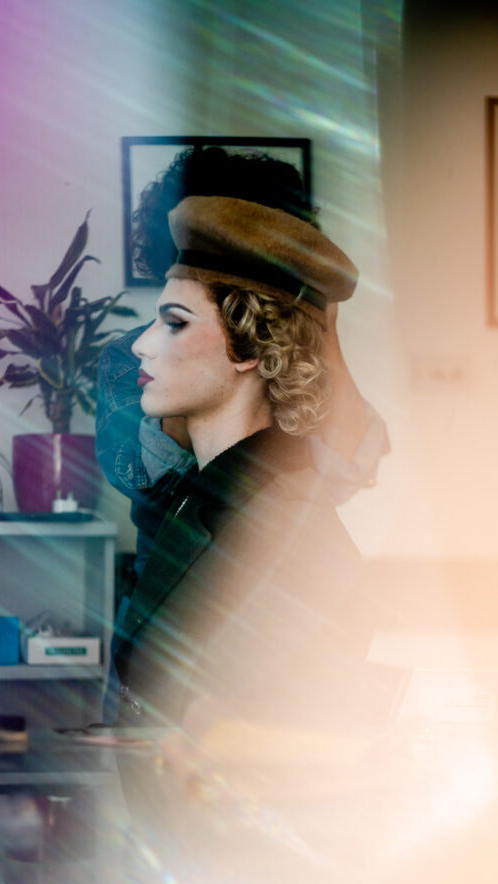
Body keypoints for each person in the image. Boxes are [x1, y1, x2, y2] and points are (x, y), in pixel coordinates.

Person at [96, 148, 389, 722]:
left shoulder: (286, 354)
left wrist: (318, 321)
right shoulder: (134, 361)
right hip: (167, 595)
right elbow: (159, 474)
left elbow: (348, 467)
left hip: (273, 594)